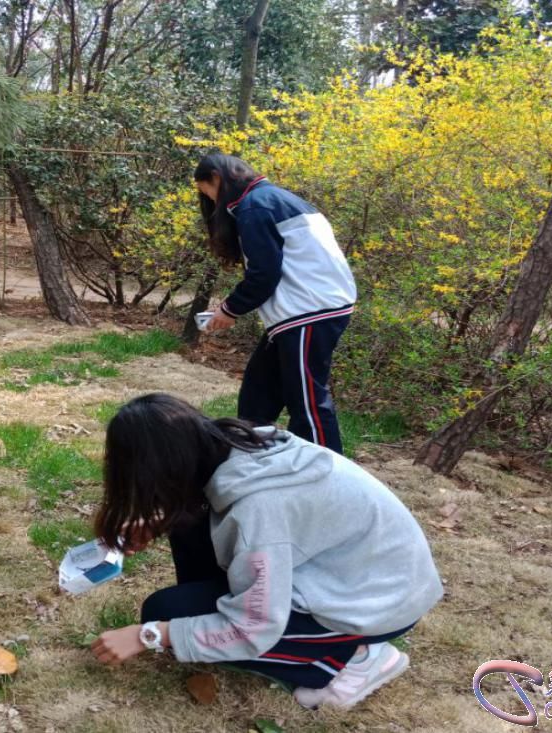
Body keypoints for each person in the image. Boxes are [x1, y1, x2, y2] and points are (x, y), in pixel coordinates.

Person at [88, 394, 443, 710]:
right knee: (185, 546)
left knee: (164, 614)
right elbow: (205, 506)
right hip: (363, 570)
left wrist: (148, 635)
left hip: (374, 603)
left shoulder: (258, 512)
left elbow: (254, 629)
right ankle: (222, 613)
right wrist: (160, 521)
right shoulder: (239, 442)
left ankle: (357, 659)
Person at [194, 153, 357, 454]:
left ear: (217, 178)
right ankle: (251, 457)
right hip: (301, 311)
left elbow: (264, 273)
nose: (212, 203)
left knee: (307, 401)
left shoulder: (255, 206)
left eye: (208, 193)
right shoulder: (273, 199)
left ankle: (324, 471)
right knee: (258, 395)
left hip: (309, 310)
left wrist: (229, 310)